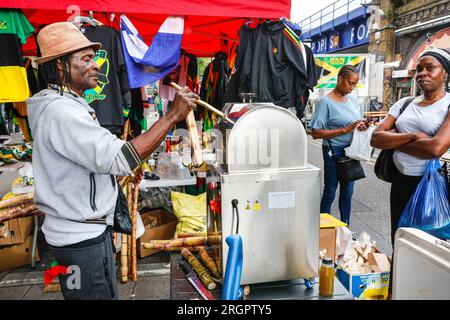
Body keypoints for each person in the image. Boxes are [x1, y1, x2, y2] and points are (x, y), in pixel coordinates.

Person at [27, 22, 198, 300]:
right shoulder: (61, 111)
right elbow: (120, 158)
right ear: (60, 66)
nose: (96, 64)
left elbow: (94, 162)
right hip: (81, 243)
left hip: (81, 235)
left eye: (94, 57)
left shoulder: (66, 104)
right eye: (86, 59)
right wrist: (171, 117)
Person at [371, 48, 450, 246]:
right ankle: (399, 277)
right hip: (401, 181)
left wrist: (396, 139)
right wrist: (414, 136)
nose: (422, 73)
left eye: (430, 68)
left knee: (431, 243)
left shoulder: (447, 105)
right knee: (399, 239)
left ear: (446, 73)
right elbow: (376, 138)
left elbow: (435, 148)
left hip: (436, 182)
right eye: (419, 69)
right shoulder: (404, 103)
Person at [309, 65, 371, 225]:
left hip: (351, 150)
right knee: (330, 190)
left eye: (355, 85)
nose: (352, 88)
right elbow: (315, 132)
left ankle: (346, 228)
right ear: (340, 79)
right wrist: (345, 129)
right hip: (333, 151)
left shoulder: (353, 100)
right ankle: (322, 229)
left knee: (348, 192)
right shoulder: (325, 102)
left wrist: (363, 126)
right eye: (350, 83)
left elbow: (357, 121)